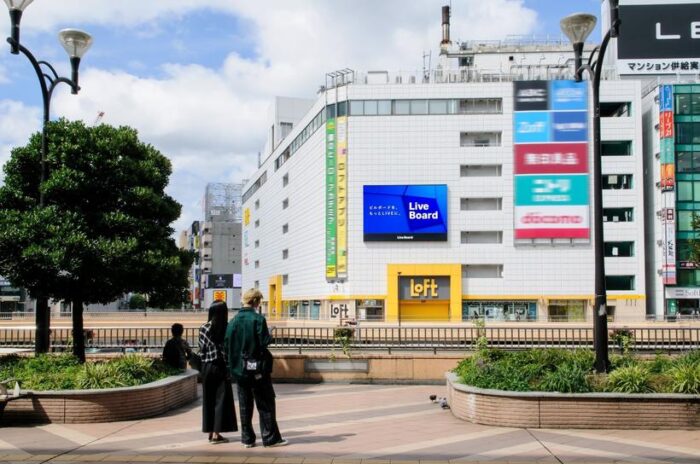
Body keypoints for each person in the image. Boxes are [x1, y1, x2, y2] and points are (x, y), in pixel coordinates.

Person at [224, 289, 287, 448]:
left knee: (245, 404)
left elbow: (226, 345)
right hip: (258, 369)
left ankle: (247, 439)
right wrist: (270, 333)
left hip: (240, 371)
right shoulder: (258, 319)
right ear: (256, 302)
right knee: (265, 403)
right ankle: (270, 438)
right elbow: (264, 341)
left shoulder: (233, 322)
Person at [199, 300, 237, 444]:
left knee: (208, 399)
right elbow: (228, 351)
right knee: (221, 400)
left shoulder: (204, 327)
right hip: (221, 367)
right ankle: (216, 434)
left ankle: (209, 432)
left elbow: (201, 349)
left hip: (207, 367)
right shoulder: (226, 328)